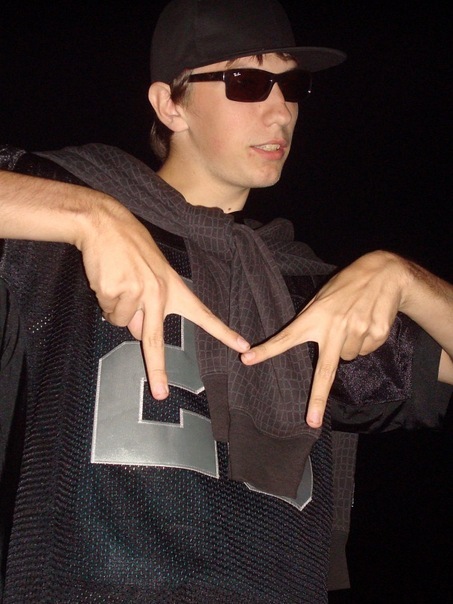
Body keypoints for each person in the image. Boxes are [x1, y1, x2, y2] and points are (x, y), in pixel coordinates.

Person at [0, 0, 451, 602]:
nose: (280, 111)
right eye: (246, 81)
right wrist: (88, 215)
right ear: (170, 104)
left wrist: (406, 280)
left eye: (292, 86)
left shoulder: (307, 292)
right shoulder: (59, 219)